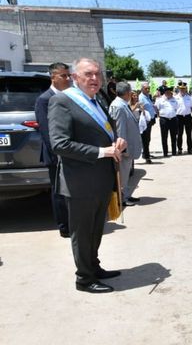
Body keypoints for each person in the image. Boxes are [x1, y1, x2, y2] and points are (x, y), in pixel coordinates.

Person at [48, 57, 125, 293]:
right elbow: (59, 144)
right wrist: (102, 151)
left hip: (101, 179)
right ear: (74, 77)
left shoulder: (96, 101)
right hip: (79, 183)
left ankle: (94, 266)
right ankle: (84, 278)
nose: (94, 79)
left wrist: (116, 142)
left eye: (97, 74)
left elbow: (104, 132)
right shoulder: (62, 102)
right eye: (88, 74)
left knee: (95, 229)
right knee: (82, 234)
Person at [35, 62, 71, 238]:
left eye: (68, 75)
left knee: (69, 190)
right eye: (63, 76)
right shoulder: (44, 99)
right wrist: (58, 154)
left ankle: (71, 222)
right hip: (55, 155)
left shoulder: (68, 96)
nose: (68, 78)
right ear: (53, 77)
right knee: (59, 191)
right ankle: (64, 227)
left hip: (69, 153)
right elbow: (46, 131)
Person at [109, 82, 143, 207]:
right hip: (124, 148)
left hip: (127, 147)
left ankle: (126, 194)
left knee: (126, 173)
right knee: (122, 174)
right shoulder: (118, 106)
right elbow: (119, 129)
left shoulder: (123, 104)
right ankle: (122, 198)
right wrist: (122, 149)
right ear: (128, 93)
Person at [155, 86, 179, 157]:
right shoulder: (160, 100)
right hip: (164, 120)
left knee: (174, 136)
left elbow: (176, 108)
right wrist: (159, 115)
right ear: (164, 92)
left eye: (170, 92)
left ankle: (174, 152)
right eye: (167, 92)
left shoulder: (174, 99)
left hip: (173, 119)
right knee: (164, 137)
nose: (168, 93)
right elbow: (156, 108)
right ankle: (165, 152)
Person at [175, 83, 192, 155]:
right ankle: (179, 149)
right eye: (181, 88)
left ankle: (190, 149)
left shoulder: (190, 98)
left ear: (186, 89)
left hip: (187, 117)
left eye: (183, 88)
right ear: (179, 89)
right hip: (179, 117)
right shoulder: (175, 98)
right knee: (179, 134)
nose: (182, 90)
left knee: (189, 134)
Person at [138, 83, 156, 164]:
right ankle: (147, 157)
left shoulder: (148, 96)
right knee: (145, 139)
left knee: (148, 138)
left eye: (148, 88)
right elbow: (141, 109)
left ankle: (145, 153)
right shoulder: (141, 97)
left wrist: (153, 117)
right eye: (146, 88)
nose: (148, 90)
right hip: (145, 121)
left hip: (150, 120)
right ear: (142, 89)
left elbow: (150, 107)